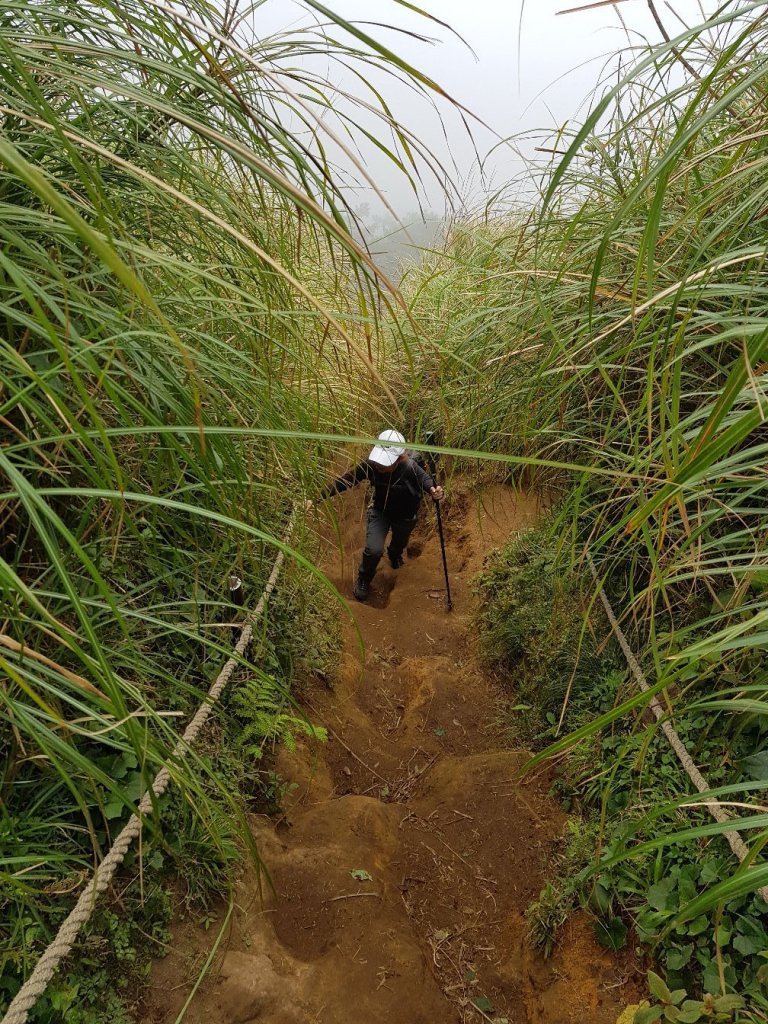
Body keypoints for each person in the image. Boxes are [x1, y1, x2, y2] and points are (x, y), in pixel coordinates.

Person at [323, 429, 444, 601]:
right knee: (373, 550)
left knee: (399, 543)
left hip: (405, 516)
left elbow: (426, 481)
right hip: (380, 512)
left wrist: (434, 491)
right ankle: (364, 579)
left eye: (385, 462)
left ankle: (394, 555)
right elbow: (346, 481)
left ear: (399, 457)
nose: (381, 465)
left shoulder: (410, 468)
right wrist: (317, 498)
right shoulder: (371, 465)